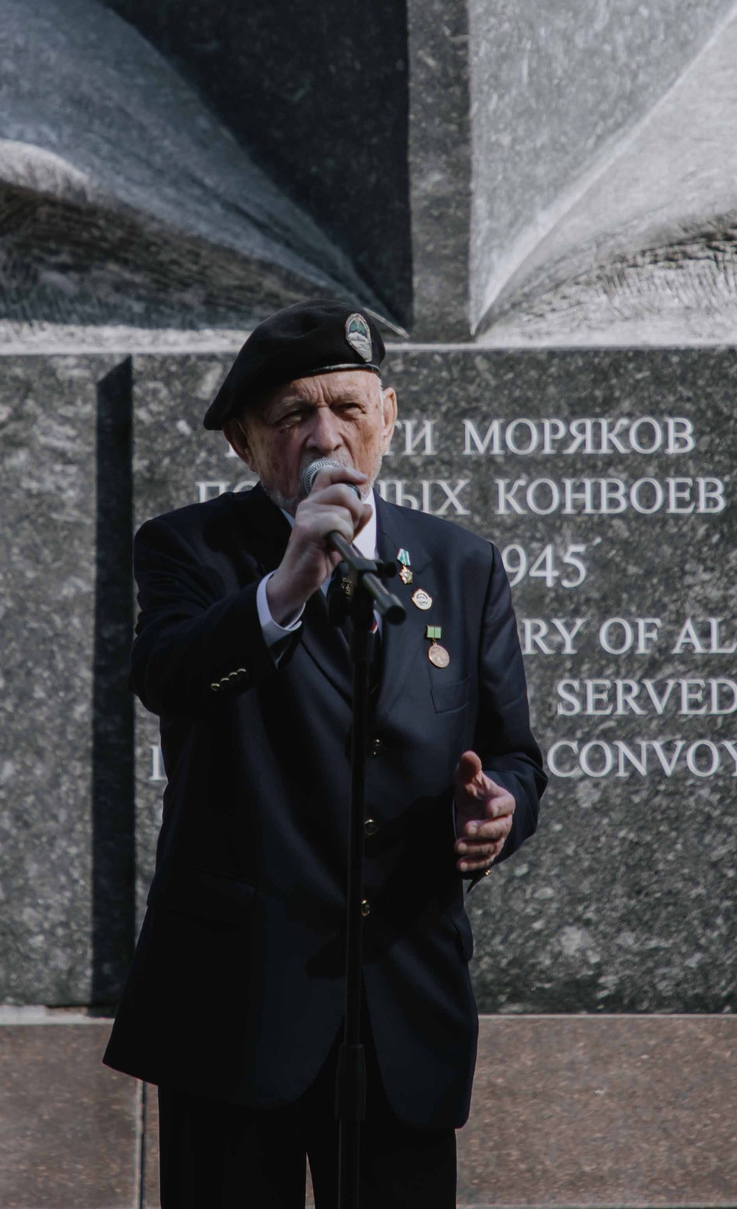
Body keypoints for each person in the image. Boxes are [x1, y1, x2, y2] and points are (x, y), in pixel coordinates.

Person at [104, 298, 545, 1208]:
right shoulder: (190, 549)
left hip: (401, 1005)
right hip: (237, 1006)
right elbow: (168, 675)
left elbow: (514, 753)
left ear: (389, 414)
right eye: (293, 414)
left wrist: (495, 808)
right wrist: (286, 584)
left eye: (347, 406)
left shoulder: (461, 564)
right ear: (243, 441)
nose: (324, 435)